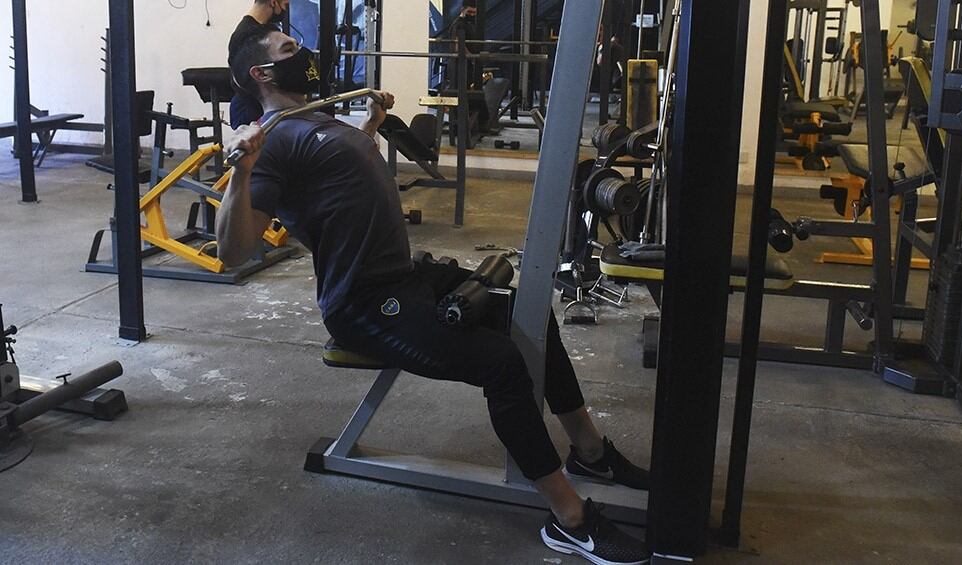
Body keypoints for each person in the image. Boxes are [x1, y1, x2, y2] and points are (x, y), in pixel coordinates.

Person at [219, 27, 650, 565]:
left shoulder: (319, 119)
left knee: (528, 316)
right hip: (364, 303)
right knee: (501, 364)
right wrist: (242, 168)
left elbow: (342, 189)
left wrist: (370, 127)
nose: (303, 55)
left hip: (406, 274)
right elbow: (233, 251)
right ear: (261, 74)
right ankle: (571, 520)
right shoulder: (272, 139)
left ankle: (590, 454)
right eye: (288, 51)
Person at [227, 0, 290, 129]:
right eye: (284, 3)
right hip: (251, 110)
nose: (286, 7)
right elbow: (240, 80)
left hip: (264, 106)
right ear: (273, 2)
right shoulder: (245, 35)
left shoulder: (268, 29)